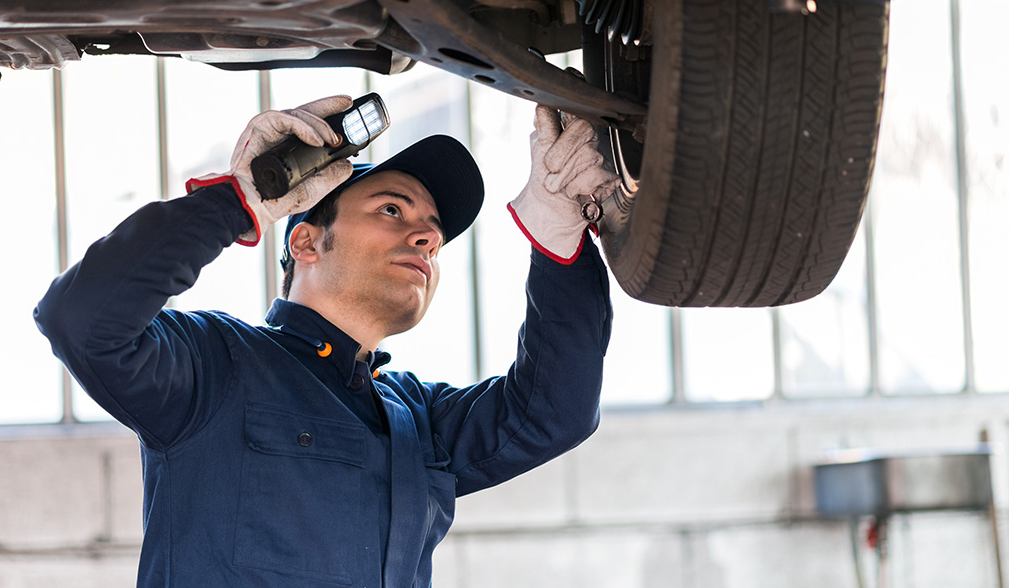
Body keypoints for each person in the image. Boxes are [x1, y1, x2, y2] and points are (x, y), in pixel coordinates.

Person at [35, 94, 617, 588]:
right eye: (392, 209)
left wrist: (558, 241)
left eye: (435, 240)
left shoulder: (420, 422)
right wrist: (237, 200)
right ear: (308, 242)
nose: (423, 237)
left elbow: (553, 412)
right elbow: (81, 318)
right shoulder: (215, 365)